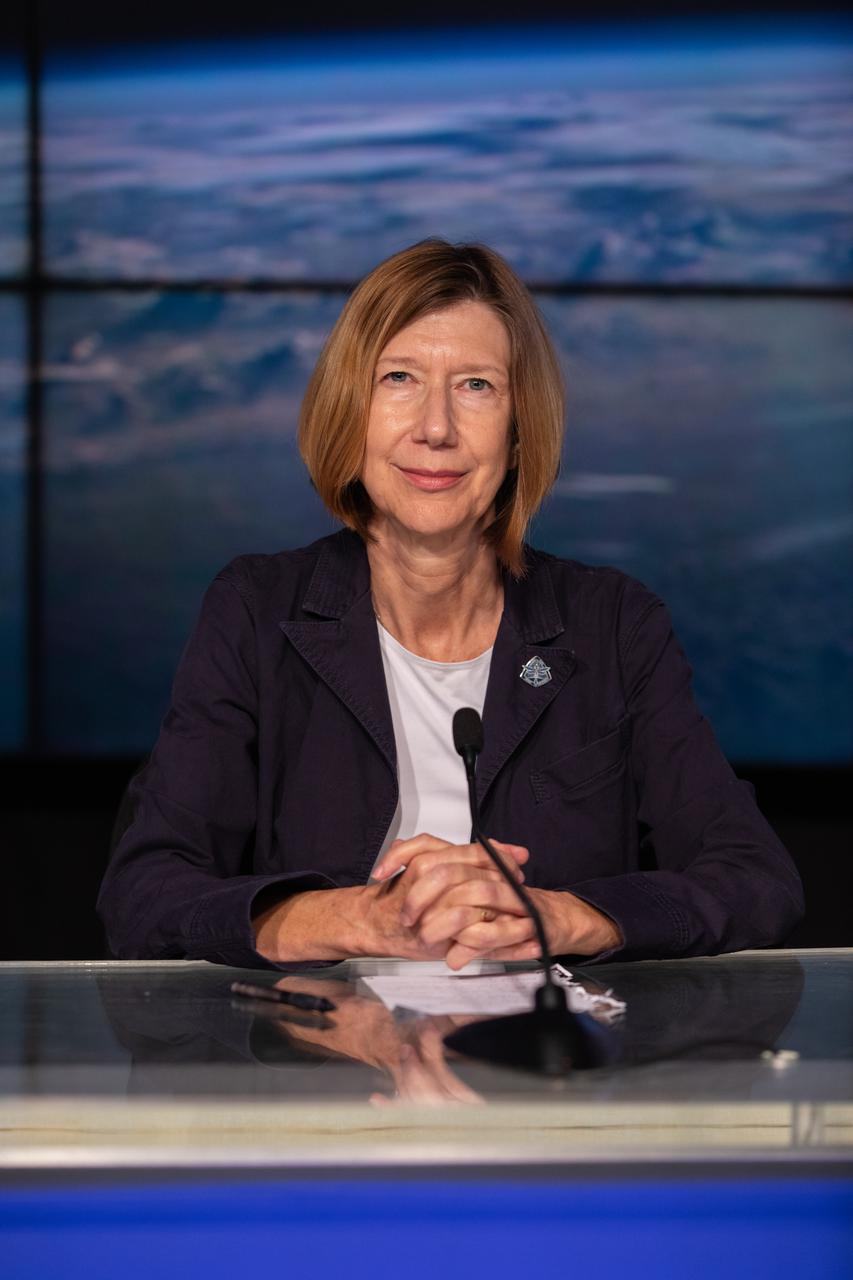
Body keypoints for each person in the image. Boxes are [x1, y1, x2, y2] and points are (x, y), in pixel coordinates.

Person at [97, 239, 804, 971]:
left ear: (519, 427)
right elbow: (145, 896)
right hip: (325, 1070)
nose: (434, 427)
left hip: (550, 1068)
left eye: (475, 386)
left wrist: (564, 916)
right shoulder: (256, 610)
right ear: (349, 410)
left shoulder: (611, 624)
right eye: (398, 377)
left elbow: (752, 879)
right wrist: (358, 919)